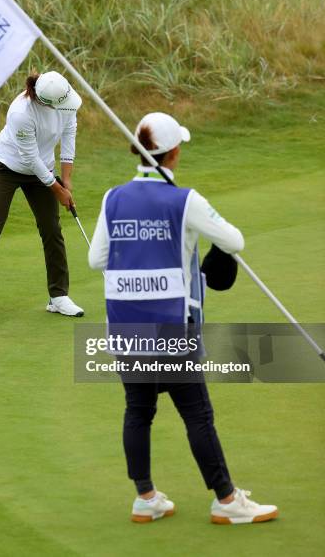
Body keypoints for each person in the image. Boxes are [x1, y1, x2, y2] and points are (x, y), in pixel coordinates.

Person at [88, 112, 278, 524]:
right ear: (172, 153)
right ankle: (228, 502)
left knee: (138, 411)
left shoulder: (112, 198)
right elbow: (234, 241)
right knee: (197, 414)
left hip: (124, 329)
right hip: (172, 328)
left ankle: (146, 497)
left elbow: (97, 259)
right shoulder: (184, 199)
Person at [0, 71, 84, 321]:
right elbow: (29, 158)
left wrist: (66, 180)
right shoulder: (21, 113)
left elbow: (69, 136)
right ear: (45, 101)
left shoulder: (64, 99)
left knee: (51, 228)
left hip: (42, 168)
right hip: (6, 167)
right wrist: (57, 189)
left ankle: (58, 296)